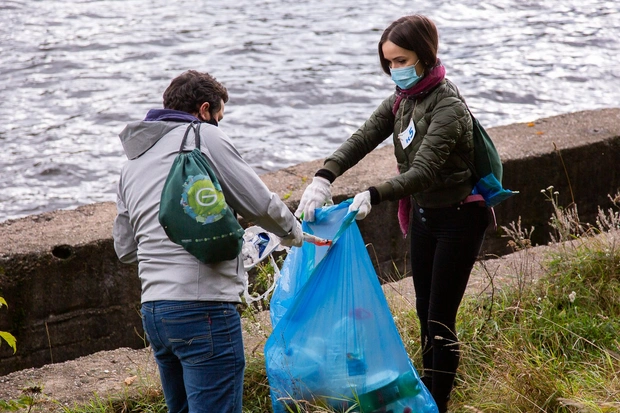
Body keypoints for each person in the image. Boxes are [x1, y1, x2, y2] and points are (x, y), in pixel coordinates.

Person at [295, 15, 489, 413]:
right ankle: (428, 396)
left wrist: (373, 193)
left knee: (439, 319)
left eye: (402, 60)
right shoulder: (405, 99)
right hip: (426, 216)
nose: (396, 70)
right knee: (423, 311)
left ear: (424, 54)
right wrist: (323, 176)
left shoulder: (448, 105)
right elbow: (364, 136)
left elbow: (425, 171)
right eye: (389, 63)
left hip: (459, 218)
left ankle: (437, 402)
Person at [113, 70, 303, 413]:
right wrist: (294, 233)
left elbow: (126, 250)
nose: (218, 125)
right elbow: (260, 204)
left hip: (155, 312)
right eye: (218, 117)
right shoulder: (203, 136)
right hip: (205, 310)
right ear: (204, 110)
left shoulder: (131, 165)